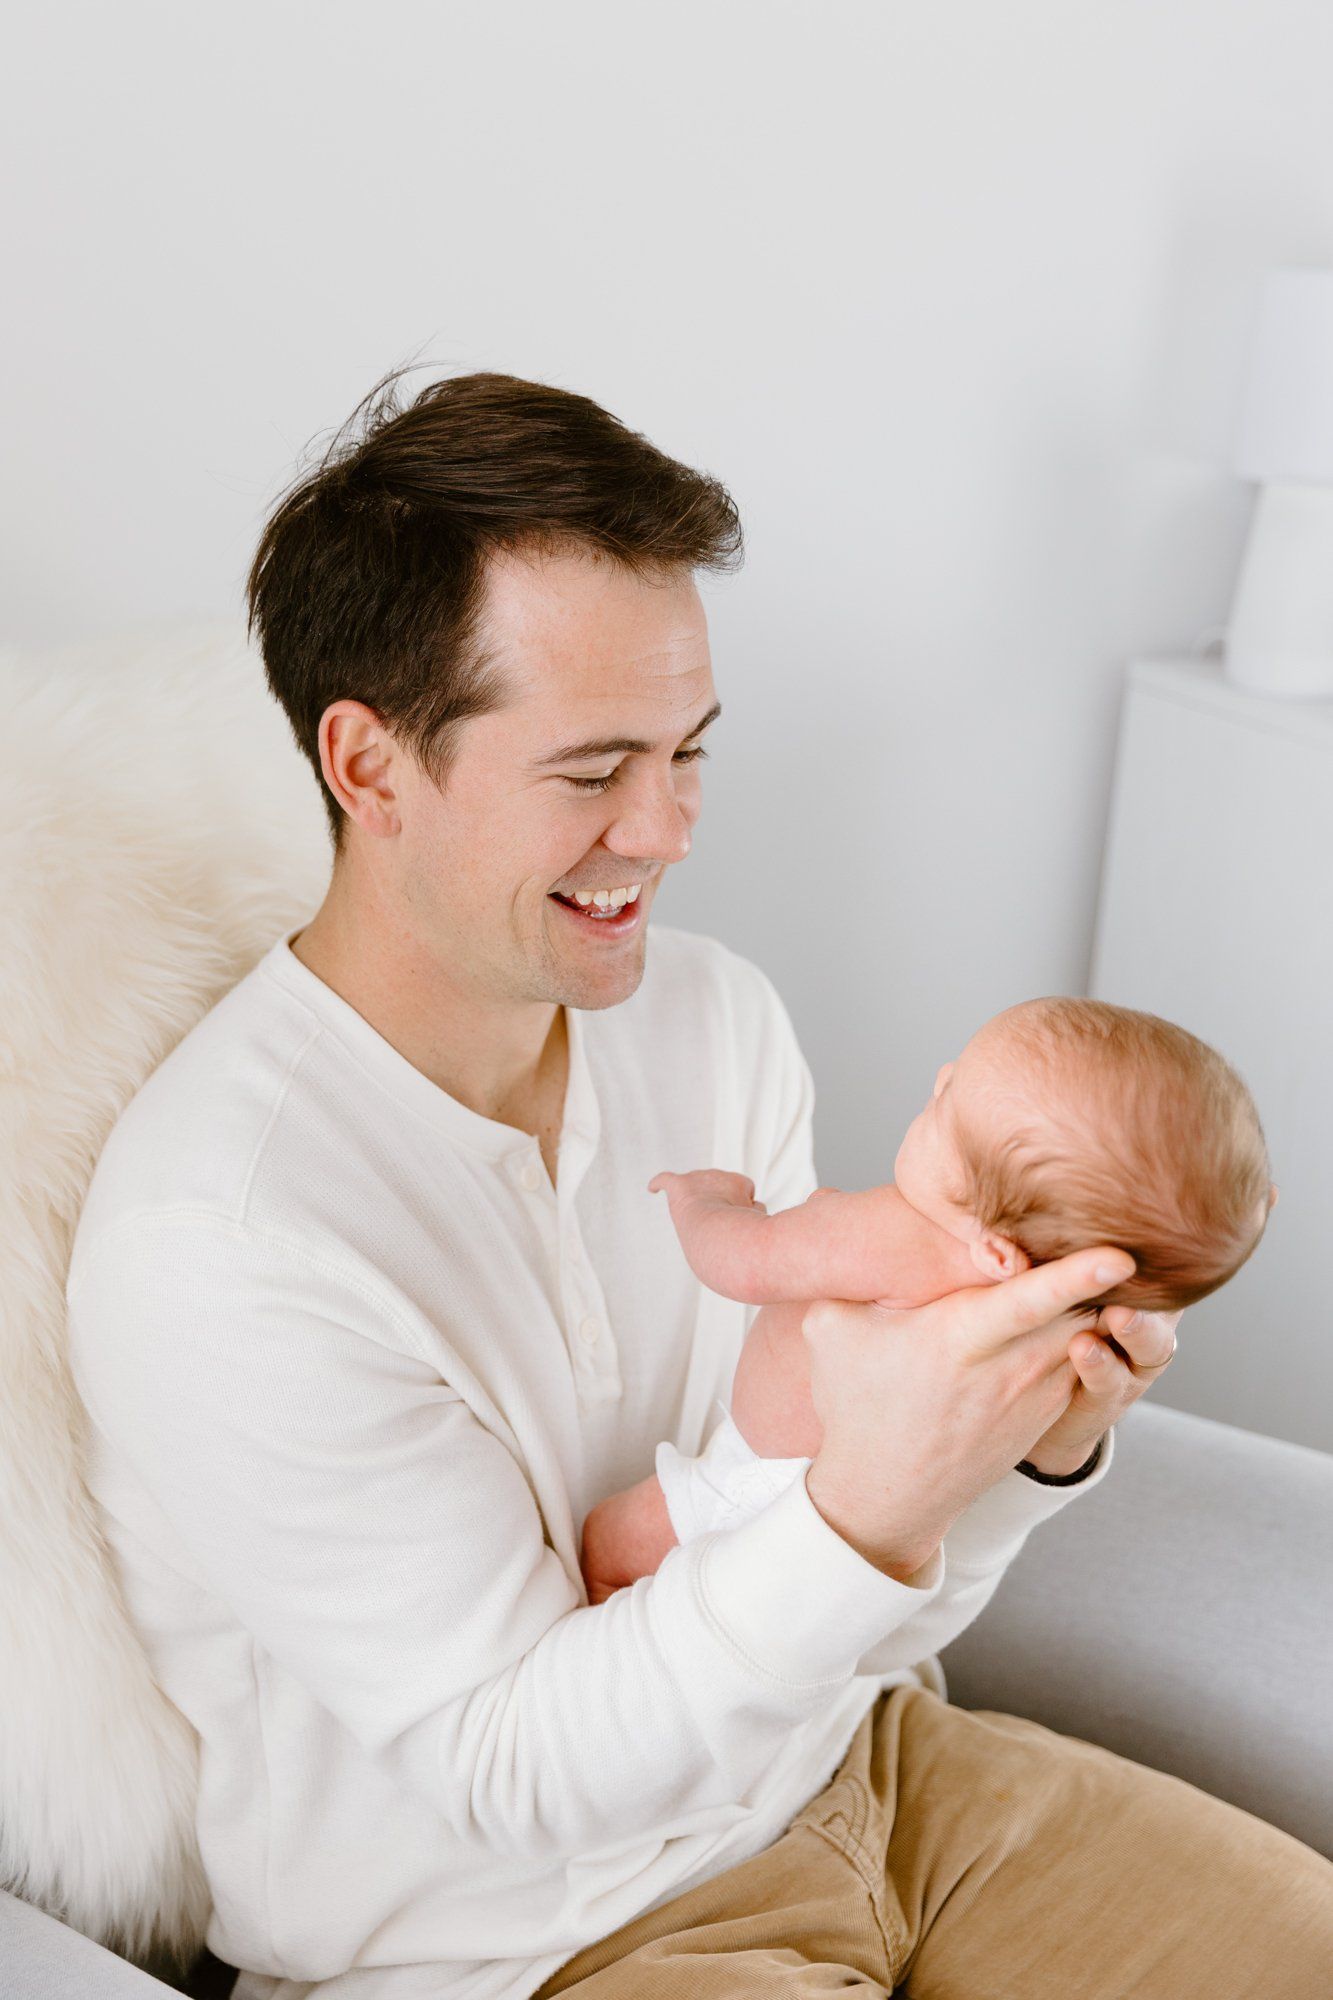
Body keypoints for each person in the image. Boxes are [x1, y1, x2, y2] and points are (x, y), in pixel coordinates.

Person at [64, 369, 1333, 2000]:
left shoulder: (713, 1022)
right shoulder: (225, 1237)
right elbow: (518, 1773)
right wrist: (866, 1511)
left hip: (875, 1780)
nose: (663, 829)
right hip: (531, 1947)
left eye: (686, 753)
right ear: (369, 770)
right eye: (594, 771)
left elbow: (857, 1602)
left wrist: (1031, 1445)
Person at [581, 995, 1277, 1597]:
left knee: (607, 1550)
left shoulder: (896, 1235)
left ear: (997, 1250)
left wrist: (702, 1201)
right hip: (894, 1534)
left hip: (750, 1492)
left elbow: (743, 1264)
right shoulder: (1060, 1321)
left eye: (947, 1103)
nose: (939, 1079)